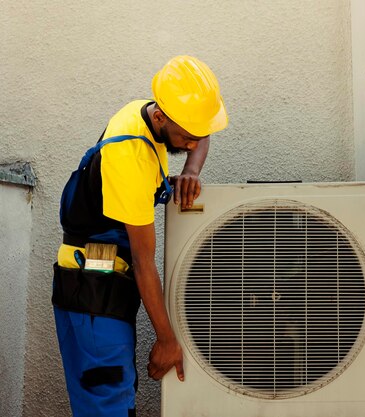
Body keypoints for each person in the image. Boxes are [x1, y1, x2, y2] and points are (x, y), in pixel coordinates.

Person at [52, 55, 228, 417]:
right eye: (186, 138)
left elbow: (201, 129)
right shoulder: (129, 155)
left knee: (118, 397)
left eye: (196, 137)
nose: (193, 144)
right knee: (108, 402)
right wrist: (166, 341)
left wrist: (191, 171)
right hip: (92, 289)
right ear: (161, 118)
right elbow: (145, 263)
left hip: (109, 283)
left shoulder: (151, 113)